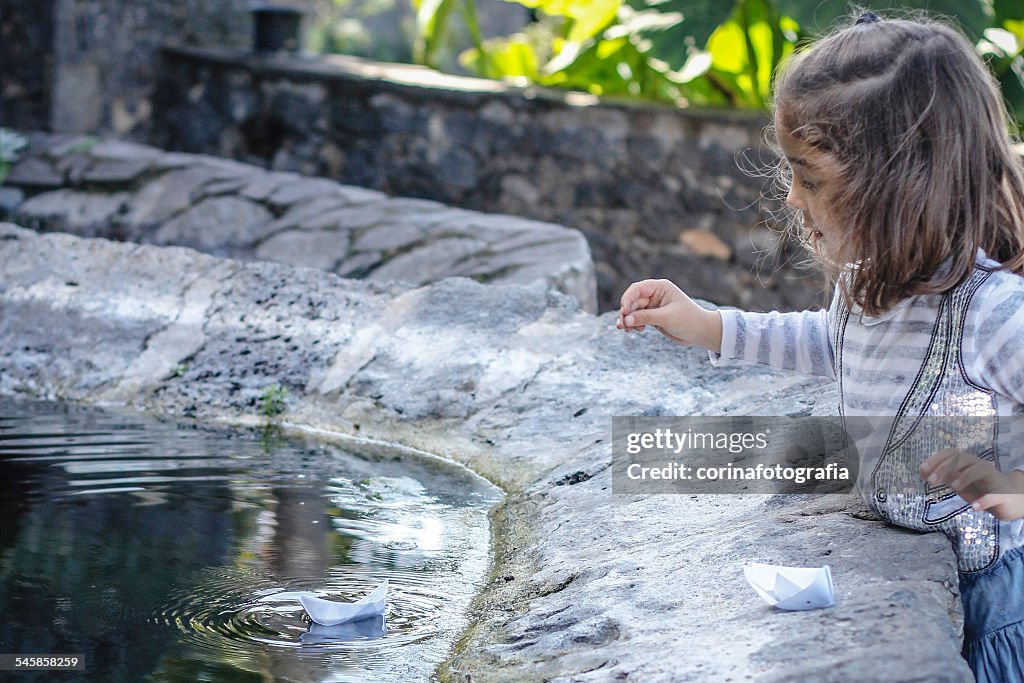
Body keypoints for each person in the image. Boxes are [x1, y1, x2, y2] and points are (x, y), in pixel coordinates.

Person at [616, 12, 1024, 682]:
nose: (792, 197)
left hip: (994, 608)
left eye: (808, 175)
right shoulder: (873, 284)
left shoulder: (990, 311)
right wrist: (709, 325)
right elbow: (829, 341)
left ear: (897, 182)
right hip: (915, 571)